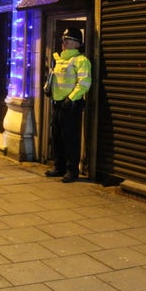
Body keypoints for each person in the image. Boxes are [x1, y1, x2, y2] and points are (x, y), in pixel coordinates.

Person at [45, 27, 92, 183]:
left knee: (70, 138)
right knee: (57, 136)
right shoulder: (59, 60)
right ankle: (59, 167)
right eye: (64, 40)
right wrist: (48, 89)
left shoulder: (81, 61)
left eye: (68, 40)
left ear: (77, 44)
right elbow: (54, 79)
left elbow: (84, 83)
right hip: (57, 104)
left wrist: (71, 99)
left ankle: (72, 171)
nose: (64, 43)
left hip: (71, 105)